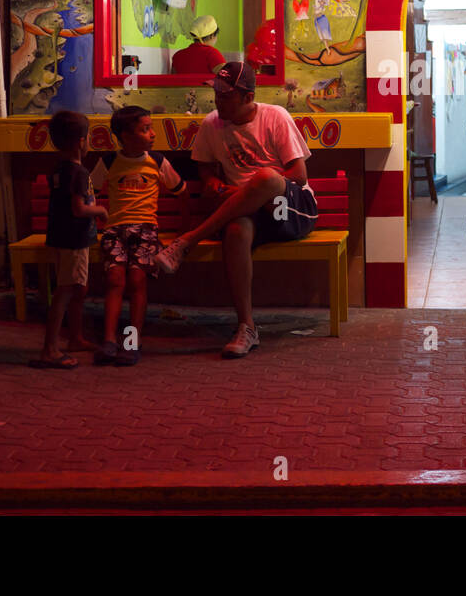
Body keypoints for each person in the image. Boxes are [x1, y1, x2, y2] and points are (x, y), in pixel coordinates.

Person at [154, 61, 318, 358]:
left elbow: (298, 174)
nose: (218, 101)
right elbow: (205, 170)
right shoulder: (211, 124)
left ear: (247, 96)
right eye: (216, 93)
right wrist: (215, 182)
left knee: (267, 177)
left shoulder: (275, 116)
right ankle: (246, 326)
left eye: (226, 95)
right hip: (245, 212)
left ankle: (186, 242)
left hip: (287, 208)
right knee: (235, 229)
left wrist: (250, 190)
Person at [89, 105, 186, 365]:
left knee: (137, 281)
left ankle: (132, 342)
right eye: (145, 129)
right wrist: (95, 212)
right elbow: (90, 190)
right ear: (125, 136)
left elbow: (179, 188)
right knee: (114, 279)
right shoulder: (109, 162)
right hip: (115, 230)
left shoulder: (157, 161)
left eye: (151, 128)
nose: (153, 134)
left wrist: (182, 230)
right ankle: (109, 340)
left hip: (145, 230)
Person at [29, 110, 109, 369]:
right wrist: (102, 211)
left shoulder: (59, 170)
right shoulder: (80, 173)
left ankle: (75, 337)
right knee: (65, 291)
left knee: (76, 288)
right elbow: (79, 209)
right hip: (74, 240)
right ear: (80, 142)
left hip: (59, 237)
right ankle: (50, 349)